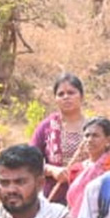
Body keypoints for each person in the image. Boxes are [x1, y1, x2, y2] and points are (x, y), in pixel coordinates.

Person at [30, 73, 87, 203]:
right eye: (61, 94)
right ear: (55, 99)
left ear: (82, 96)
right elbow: (30, 160)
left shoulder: (93, 128)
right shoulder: (46, 127)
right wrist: (52, 170)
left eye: (71, 93)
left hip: (86, 196)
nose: (66, 97)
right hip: (54, 196)